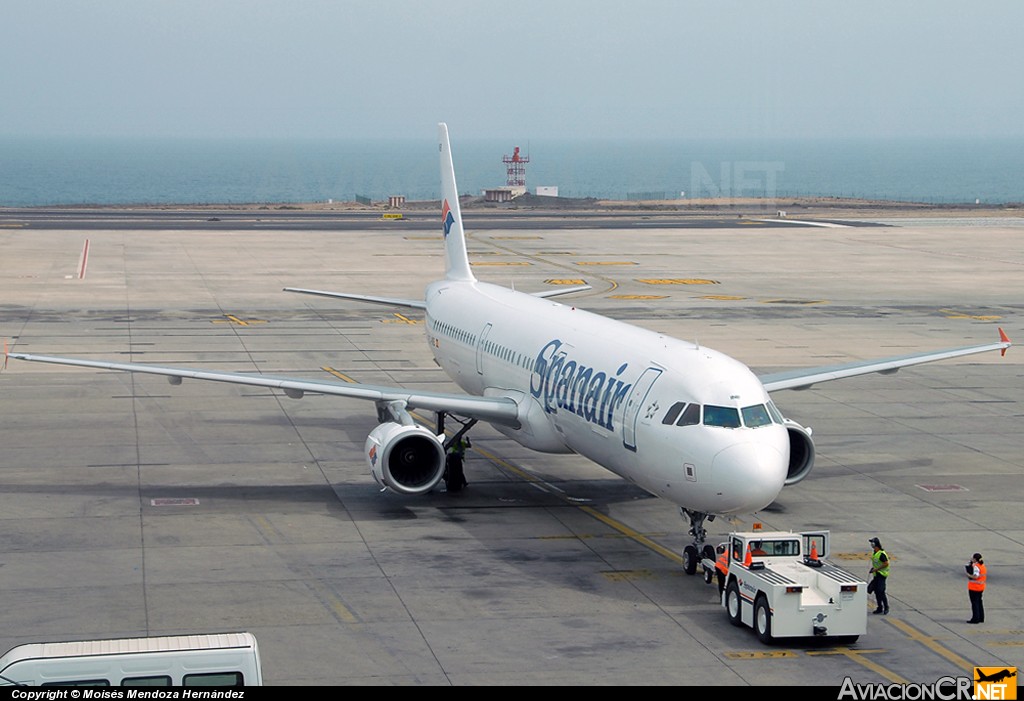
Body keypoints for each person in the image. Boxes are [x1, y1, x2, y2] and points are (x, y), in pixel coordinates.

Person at [868, 537, 890, 615]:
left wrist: (876, 569)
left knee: (881, 591)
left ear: (875, 544)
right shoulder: (875, 552)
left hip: (881, 575)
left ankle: (886, 606)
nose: (871, 544)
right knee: (876, 592)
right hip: (876, 575)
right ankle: (880, 607)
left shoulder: (881, 554)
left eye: (872, 543)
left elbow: (886, 563)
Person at [966, 553, 986, 624]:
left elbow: (976, 576)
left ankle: (975, 619)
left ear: (975, 559)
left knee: (974, 603)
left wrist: (968, 575)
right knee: (979, 602)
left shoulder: (976, 567)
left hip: (974, 588)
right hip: (981, 587)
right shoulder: (982, 566)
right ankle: (981, 617)